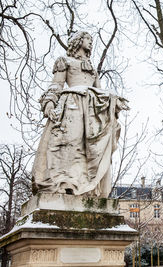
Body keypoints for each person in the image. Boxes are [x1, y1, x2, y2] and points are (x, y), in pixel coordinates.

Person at [32, 31, 128, 197]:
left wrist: (114, 101)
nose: (91, 43)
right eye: (87, 39)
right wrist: (48, 103)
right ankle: (64, 183)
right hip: (72, 105)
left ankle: (87, 186)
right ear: (78, 41)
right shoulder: (65, 61)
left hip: (91, 110)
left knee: (89, 148)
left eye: (91, 40)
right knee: (69, 142)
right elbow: (56, 85)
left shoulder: (92, 68)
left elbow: (100, 91)